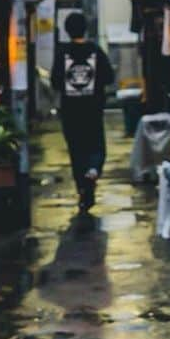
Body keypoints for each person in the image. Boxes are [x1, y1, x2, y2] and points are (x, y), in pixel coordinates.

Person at [51, 12, 115, 213]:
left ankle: (82, 189)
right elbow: (109, 77)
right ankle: (93, 171)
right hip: (93, 109)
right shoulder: (96, 51)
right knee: (96, 147)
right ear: (85, 28)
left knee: (76, 151)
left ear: (67, 30)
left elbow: (55, 81)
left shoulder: (62, 52)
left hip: (70, 111)